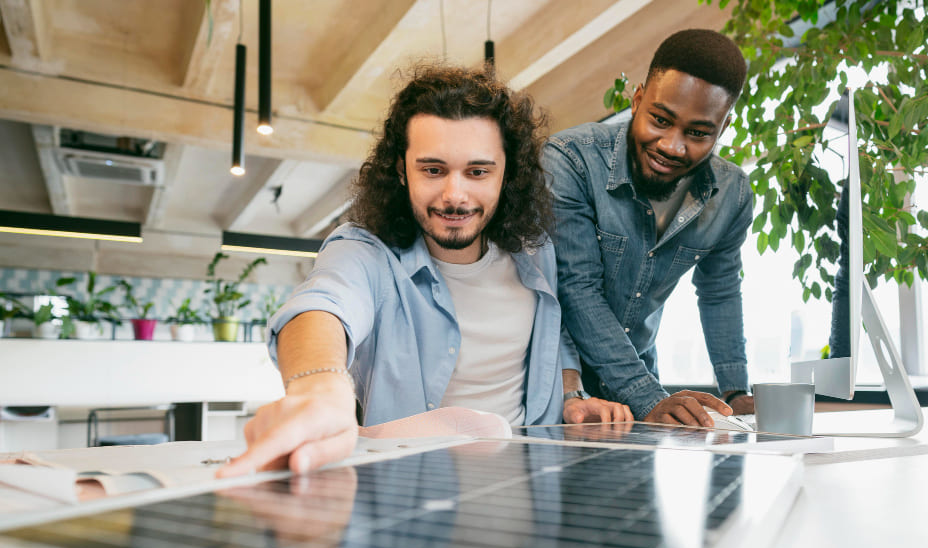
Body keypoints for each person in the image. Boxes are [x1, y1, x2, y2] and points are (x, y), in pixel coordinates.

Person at [220, 65, 630, 478]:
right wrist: (319, 387)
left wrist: (572, 392)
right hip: (411, 498)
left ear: (507, 174)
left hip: (535, 495)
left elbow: (552, 331)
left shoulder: (534, 249)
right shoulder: (367, 251)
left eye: (478, 171)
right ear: (402, 170)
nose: (455, 195)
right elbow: (323, 304)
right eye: (433, 170)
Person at [543, 29, 755, 427]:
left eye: (698, 133)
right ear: (637, 99)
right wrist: (647, 397)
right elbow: (577, 288)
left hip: (640, 378)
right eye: (661, 120)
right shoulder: (570, 161)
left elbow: (720, 292)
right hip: (560, 384)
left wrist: (736, 394)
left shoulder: (733, 194)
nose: (672, 147)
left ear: (723, 128)